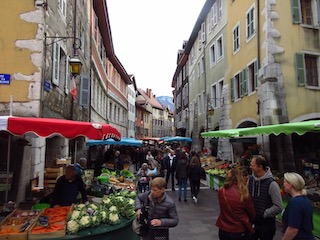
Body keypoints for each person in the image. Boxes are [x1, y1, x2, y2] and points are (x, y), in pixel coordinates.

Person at [248, 155, 282, 240]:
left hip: (267, 226)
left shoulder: (272, 184)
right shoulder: (250, 180)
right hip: (252, 223)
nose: (250, 167)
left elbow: (278, 206)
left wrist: (264, 214)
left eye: (252, 165)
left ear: (260, 167)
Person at [216, 167, 256, 240]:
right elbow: (251, 213)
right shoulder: (243, 194)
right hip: (239, 230)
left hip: (223, 229)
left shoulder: (221, 191)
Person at [281, 172, 314, 240]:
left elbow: (293, 229)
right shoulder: (306, 200)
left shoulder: (295, 203)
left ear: (290, 185)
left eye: (284, 182)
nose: (283, 185)